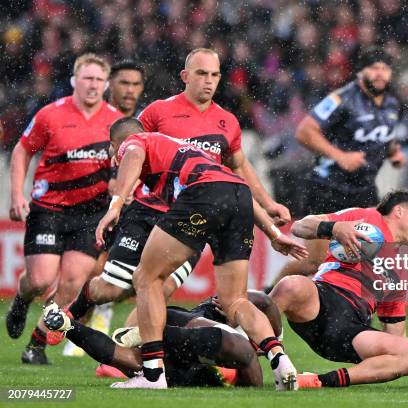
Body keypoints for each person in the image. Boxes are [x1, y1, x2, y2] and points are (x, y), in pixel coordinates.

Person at [70, 48, 291, 324]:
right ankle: (66, 316)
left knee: (161, 290)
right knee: (113, 288)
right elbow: (131, 148)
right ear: (185, 76)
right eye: (201, 74)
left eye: (214, 75)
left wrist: (268, 203)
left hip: (191, 216)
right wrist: (121, 186)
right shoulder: (158, 112)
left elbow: (238, 167)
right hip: (148, 211)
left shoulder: (228, 122)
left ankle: (131, 354)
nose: (208, 81)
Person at [95, 118, 304, 389]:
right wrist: (274, 234)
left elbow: (133, 152)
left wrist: (115, 204)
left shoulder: (134, 141)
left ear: (115, 145)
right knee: (235, 300)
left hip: (204, 196)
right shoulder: (193, 152)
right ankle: (280, 359)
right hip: (238, 195)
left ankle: (153, 376)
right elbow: (234, 185)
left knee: (146, 278)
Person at [5, 53, 123, 364]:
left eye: (98, 79)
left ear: (106, 84)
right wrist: (17, 194)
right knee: (41, 280)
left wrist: (118, 187)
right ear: (74, 80)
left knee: (72, 285)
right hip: (49, 209)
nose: (92, 85)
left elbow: (129, 162)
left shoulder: (115, 122)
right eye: (87, 78)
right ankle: (22, 297)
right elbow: (22, 150)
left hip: (90, 215)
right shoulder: (50, 115)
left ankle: (36, 345)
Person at [270, 190, 408, 388]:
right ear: (399, 211)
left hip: (351, 332)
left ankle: (316, 381)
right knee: (291, 284)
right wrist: (335, 228)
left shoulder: (400, 271)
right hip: (319, 301)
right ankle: (248, 348)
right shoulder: (366, 217)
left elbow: (397, 335)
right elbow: (300, 227)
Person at [269, 47, 406, 287]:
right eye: (374, 67)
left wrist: (394, 152)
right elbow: (304, 131)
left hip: (364, 190)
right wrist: (339, 156)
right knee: (315, 262)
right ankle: (268, 298)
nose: (380, 73)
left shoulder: (391, 105)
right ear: (360, 72)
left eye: (385, 68)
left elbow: (381, 136)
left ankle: (357, 310)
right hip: (328, 186)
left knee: (369, 256)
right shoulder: (341, 98)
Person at [63, 59, 147, 358]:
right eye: (124, 83)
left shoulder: (143, 122)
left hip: (132, 207)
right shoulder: (100, 119)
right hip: (94, 205)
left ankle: (105, 321)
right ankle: (82, 325)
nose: (130, 90)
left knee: (126, 272)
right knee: (91, 267)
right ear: (110, 85)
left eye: (136, 84)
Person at [42, 293, 274, 387]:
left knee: (128, 360)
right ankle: (70, 326)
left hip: (184, 331)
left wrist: (273, 347)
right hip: (188, 347)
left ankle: (67, 325)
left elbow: (262, 300)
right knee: (126, 360)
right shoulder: (236, 354)